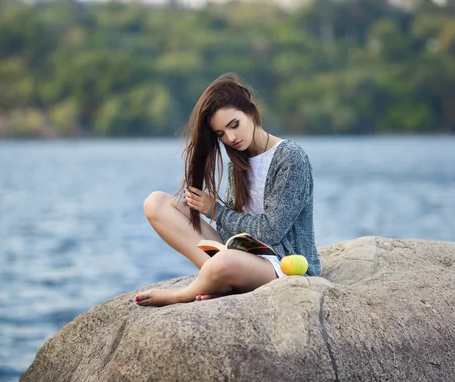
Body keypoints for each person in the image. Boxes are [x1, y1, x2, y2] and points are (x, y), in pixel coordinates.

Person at [136, 73, 320, 306]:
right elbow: (233, 232)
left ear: (251, 113)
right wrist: (216, 218)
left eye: (234, 125)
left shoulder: (290, 158)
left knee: (224, 263)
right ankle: (218, 280)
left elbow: (272, 231)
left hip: (283, 265)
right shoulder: (239, 162)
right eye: (220, 134)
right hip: (241, 255)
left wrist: (216, 211)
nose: (231, 138)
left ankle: (184, 294)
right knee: (156, 203)